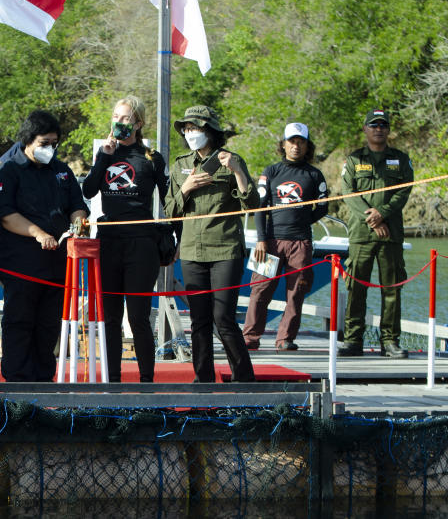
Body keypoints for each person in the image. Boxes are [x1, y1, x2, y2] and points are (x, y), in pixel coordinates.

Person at [0, 110, 88, 382]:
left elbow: (77, 206)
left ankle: (43, 378)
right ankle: (17, 378)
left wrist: (79, 223)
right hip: (22, 262)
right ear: (28, 141)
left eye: (54, 143)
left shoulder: (62, 171)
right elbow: (5, 216)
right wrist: (38, 234)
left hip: (57, 264)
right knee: (20, 321)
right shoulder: (8, 172)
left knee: (48, 325)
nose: (49, 148)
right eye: (44, 143)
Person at [164, 105, 258, 382]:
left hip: (226, 248)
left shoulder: (232, 160)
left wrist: (238, 172)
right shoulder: (181, 164)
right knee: (199, 321)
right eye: (187, 129)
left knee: (224, 319)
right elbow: (170, 211)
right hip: (192, 250)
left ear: (211, 131)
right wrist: (186, 188)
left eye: (197, 128)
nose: (191, 133)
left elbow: (252, 204)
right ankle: (202, 378)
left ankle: (244, 378)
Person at [82, 97, 167, 382]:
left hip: (141, 242)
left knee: (138, 318)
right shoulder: (105, 153)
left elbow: (169, 200)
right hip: (109, 241)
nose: (120, 122)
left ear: (139, 123)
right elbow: (89, 189)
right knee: (110, 318)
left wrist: (171, 238)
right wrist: (104, 157)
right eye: (116, 117)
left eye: (127, 118)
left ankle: (146, 380)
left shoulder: (152, 157)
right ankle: (112, 378)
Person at [241, 123, 329, 352]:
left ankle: (285, 339)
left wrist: (300, 220)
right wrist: (261, 240)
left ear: (307, 146)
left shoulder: (314, 174)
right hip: (269, 242)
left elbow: (322, 207)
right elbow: (260, 207)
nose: (296, 146)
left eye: (301, 142)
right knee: (260, 290)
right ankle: (250, 338)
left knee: (296, 292)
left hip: (300, 242)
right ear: (283, 144)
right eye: (291, 141)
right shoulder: (271, 171)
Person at [339, 108, 413, 358]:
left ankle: (390, 341)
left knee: (391, 288)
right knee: (356, 286)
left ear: (388, 129)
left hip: (390, 233)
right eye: (374, 125)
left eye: (383, 125)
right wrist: (372, 219)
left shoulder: (401, 159)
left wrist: (382, 212)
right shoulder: (353, 159)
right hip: (361, 233)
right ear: (365, 129)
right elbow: (349, 194)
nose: (378, 129)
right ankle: (353, 340)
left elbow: (404, 192)